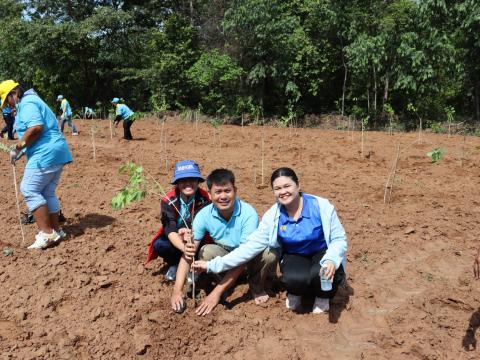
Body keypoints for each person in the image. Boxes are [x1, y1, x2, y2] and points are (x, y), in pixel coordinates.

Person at [195, 167, 348, 314]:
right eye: (278, 188)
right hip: (295, 255)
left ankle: (323, 297)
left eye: (287, 186)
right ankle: (297, 291)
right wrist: (212, 265)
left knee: (320, 272)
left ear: (298, 185)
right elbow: (248, 248)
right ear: (273, 191)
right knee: (294, 279)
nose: (283, 192)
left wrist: (332, 259)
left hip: (323, 252)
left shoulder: (321, 206)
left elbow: (339, 239)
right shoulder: (273, 216)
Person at [177, 168, 279, 316]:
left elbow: (244, 256)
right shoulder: (203, 215)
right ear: (210, 194)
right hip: (226, 258)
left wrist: (215, 293)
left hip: (249, 260)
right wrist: (177, 290)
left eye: (227, 191)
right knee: (206, 251)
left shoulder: (248, 214)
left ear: (235, 190)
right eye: (218, 192)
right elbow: (189, 252)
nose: (223, 196)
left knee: (270, 253)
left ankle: (255, 285)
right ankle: (228, 284)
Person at [0, 80, 73, 249]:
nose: (7, 105)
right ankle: (56, 230)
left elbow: (36, 128)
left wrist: (18, 146)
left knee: (29, 189)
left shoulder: (27, 103)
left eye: (7, 100)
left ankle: (47, 234)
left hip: (45, 152)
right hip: (57, 151)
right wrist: (22, 151)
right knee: (47, 191)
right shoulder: (32, 101)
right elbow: (35, 132)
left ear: (14, 93)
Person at [145, 160, 211, 282]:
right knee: (160, 245)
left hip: (198, 238)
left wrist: (191, 233)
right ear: (177, 183)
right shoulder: (168, 200)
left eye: (192, 179)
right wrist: (183, 247)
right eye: (183, 180)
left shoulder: (206, 199)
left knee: (206, 248)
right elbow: (169, 227)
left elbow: (203, 223)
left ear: (198, 181)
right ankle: (175, 264)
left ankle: (195, 267)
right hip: (177, 238)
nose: (188, 184)